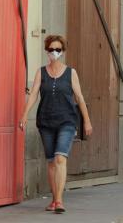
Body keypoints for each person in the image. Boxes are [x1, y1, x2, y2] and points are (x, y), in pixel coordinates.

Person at [19, 35, 93, 213]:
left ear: (63, 51)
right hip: (45, 121)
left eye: (58, 49)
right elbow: (34, 94)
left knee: (60, 158)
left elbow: (79, 97)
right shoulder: (41, 72)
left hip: (67, 121)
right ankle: (54, 199)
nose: (54, 52)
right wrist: (24, 115)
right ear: (47, 51)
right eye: (51, 49)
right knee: (52, 162)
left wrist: (87, 121)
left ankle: (59, 201)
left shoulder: (71, 73)